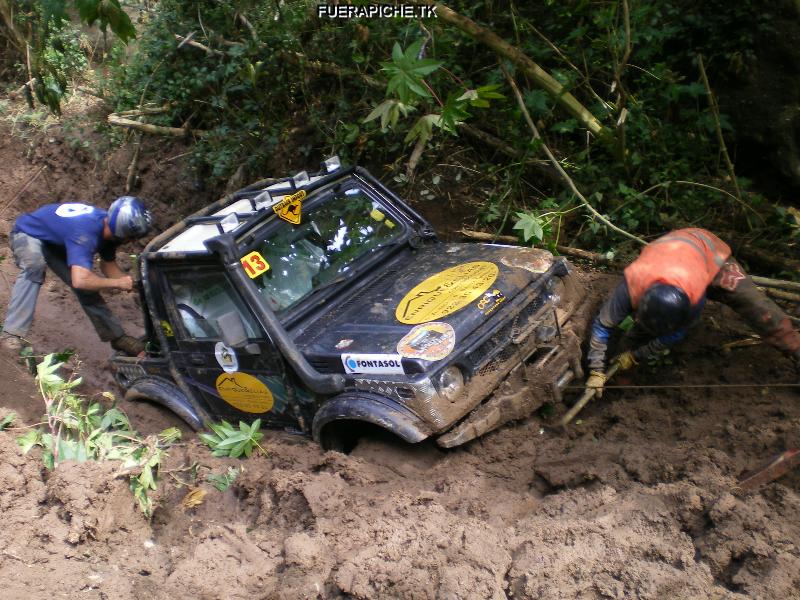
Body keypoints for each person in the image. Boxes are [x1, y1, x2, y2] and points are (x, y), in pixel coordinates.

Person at [585, 228, 800, 396]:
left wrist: (638, 355)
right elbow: (602, 325)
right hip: (669, 253)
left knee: (758, 308)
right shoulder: (632, 285)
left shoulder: (695, 299)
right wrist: (596, 369)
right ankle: (620, 392)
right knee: (633, 340)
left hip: (706, 252)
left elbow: (676, 333)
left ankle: (796, 349)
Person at [0, 197, 152, 356]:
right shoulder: (86, 232)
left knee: (89, 288)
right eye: (132, 237)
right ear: (123, 230)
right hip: (27, 233)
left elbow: (108, 266)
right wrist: (117, 283)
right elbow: (80, 280)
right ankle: (12, 333)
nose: (132, 241)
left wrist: (135, 286)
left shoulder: (108, 232)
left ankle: (118, 338)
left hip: (55, 242)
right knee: (34, 266)